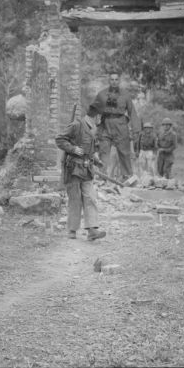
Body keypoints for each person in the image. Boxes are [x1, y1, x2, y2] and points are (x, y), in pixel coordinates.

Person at [55, 104, 106, 241]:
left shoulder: (93, 129)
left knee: (90, 198)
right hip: (73, 169)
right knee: (75, 199)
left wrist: (96, 160)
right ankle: (72, 230)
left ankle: (92, 231)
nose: (101, 119)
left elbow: (90, 150)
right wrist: (72, 149)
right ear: (97, 116)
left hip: (87, 169)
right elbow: (59, 139)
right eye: (101, 116)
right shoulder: (77, 125)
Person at [91, 71, 140, 182]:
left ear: (119, 81)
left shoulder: (125, 95)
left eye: (116, 79)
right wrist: (94, 126)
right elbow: (93, 110)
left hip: (120, 123)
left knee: (124, 151)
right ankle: (102, 176)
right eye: (112, 79)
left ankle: (127, 176)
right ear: (109, 81)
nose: (114, 82)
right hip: (105, 124)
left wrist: (136, 129)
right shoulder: (102, 94)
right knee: (104, 151)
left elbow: (132, 112)